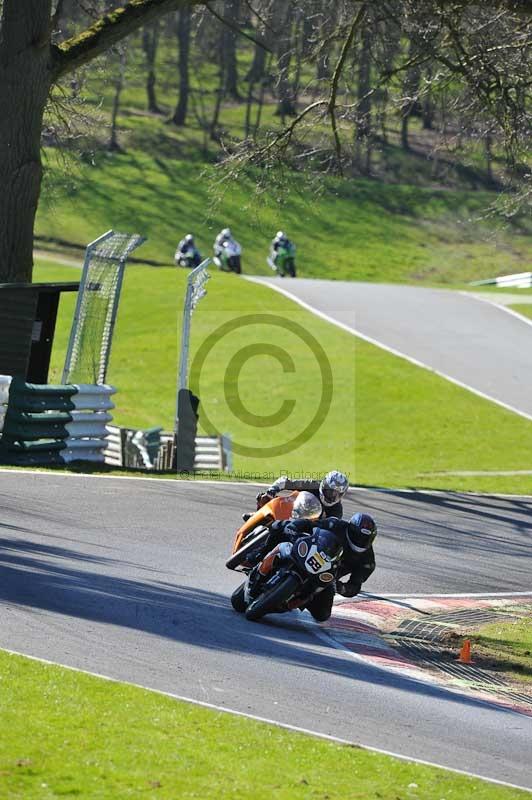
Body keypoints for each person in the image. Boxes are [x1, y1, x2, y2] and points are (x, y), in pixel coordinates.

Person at [247, 512, 377, 622]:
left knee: (322, 615)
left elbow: (355, 585)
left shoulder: (367, 561)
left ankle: (290, 603)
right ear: (350, 528)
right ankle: (260, 553)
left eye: (365, 539)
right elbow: (309, 524)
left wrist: (342, 588)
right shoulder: (335, 524)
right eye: (359, 536)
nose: (360, 541)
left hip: (327, 577)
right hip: (310, 553)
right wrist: (294, 527)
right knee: (280, 526)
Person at [255, 471, 349, 520]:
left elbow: (329, 532)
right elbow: (284, 482)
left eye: (337, 494)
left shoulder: (337, 511)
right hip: (290, 513)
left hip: (305, 531)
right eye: (330, 491)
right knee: (263, 499)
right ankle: (256, 518)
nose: (332, 497)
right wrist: (271, 492)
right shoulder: (312, 485)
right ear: (323, 485)